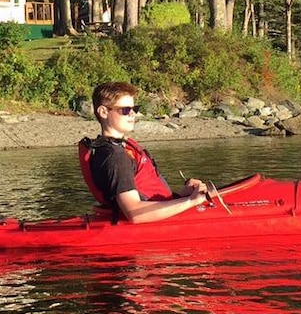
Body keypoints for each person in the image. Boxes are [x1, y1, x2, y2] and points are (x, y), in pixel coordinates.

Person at [79, 81, 211, 223]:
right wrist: (191, 201)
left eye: (134, 109)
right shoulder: (115, 157)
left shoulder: (119, 148)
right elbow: (135, 213)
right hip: (143, 223)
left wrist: (181, 195)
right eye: (125, 110)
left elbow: (144, 196)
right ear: (104, 112)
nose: (132, 114)